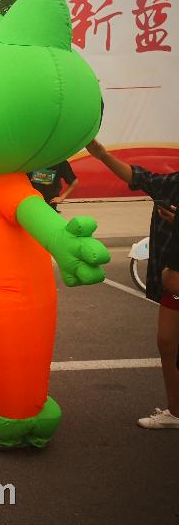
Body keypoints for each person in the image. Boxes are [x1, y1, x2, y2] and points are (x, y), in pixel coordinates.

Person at [86, 139, 179, 429]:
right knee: (166, 342)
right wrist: (101, 155)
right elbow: (138, 176)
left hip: (174, 276)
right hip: (173, 275)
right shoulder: (172, 184)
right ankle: (175, 412)